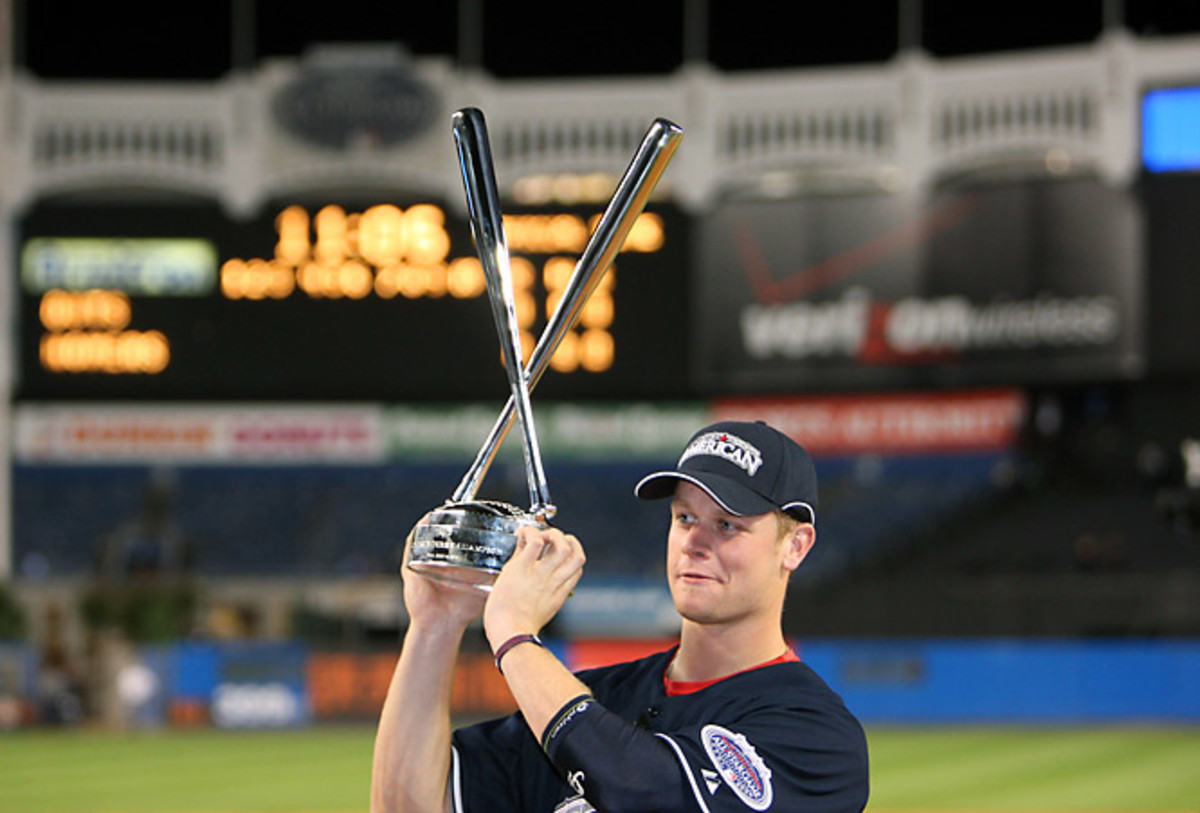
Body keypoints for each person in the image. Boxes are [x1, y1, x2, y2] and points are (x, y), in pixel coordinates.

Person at [372, 420, 869, 812]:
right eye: (685, 517)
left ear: (795, 546)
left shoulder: (818, 739)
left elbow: (646, 797)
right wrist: (434, 624)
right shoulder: (595, 700)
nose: (695, 542)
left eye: (727, 525)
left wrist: (515, 636)